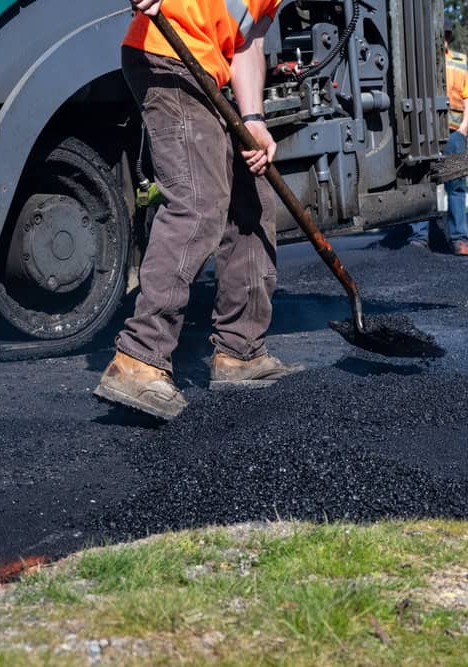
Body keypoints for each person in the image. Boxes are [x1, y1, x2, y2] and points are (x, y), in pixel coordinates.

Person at [94, 0, 301, 420]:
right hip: (165, 58)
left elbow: (247, 46)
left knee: (251, 203)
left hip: (205, 73)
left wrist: (253, 119)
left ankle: (239, 352)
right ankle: (140, 358)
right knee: (197, 204)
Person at [409, 17, 468, 256]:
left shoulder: (458, 63)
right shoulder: (420, 64)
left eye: (444, 35)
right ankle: (419, 239)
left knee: (456, 186)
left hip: (453, 133)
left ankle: (459, 240)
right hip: (425, 133)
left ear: (447, 37)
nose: (441, 39)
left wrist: (464, 126)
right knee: (422, 185)